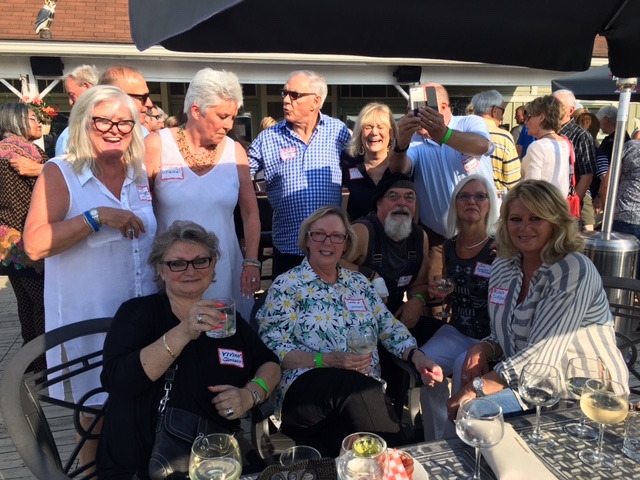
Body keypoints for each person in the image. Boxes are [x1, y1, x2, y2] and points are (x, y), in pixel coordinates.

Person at [23, 85, 158, 467]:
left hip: (140, 315)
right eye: (103, 121)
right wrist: (95, 218)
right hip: (90, 320)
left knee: (139, 404)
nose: (115, 130)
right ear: (84, 122)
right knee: (95, 414)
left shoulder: (137, 172)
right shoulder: (60, 172)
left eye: (124, 123)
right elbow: (34, 244)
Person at [97, 221, 280, 479]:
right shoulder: (138, 313)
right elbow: (117, 381)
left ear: (213, 265)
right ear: (160, 270)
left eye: (200, 261)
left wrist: (250, 394)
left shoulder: (227, 318)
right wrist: (183, 331)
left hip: (216, 453)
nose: (190, 270)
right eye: (177, 263)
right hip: (145, 457)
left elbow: (270, 364)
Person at [257, 206, 443, 456]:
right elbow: (271, 347)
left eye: (336, 236)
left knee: (350, 450)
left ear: (345, 245)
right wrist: (326, 360)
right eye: (319, 234)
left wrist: (419, 358)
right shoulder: (287, 285)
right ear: (307, 240)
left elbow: (389, 328)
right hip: (303, 392)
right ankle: (402, 461)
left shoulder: (359, 285)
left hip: (361, 399)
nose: (327, 242)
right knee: (354, 387)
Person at [446, 180, 629, 419]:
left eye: (536, 218)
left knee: (474, 412)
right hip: (528, 385)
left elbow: (542, 355)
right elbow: (505, 332)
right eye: (516, 219)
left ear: (555, 222)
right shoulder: (503, 265)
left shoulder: (571, 268)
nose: (524, 228)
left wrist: (477, 388)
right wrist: (487, 347)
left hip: (582, 394)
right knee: (470, 413)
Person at [145, 68, 260, 320]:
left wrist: (251, 261)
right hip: (174, 271)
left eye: (232, 117)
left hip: (223, 268)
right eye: (222, 116)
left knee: (224, 340)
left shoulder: (235, 151)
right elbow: (140, 208)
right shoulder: (157, 145)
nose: (229, 125)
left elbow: (250, 212)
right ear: (196, 110)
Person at [418, 174, 498, 440]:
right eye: (464, 196)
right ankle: (435, 439)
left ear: (490, 204)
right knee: (426, 366)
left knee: (463, 367)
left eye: (479, 196)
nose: (471, 201)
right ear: (455, 204)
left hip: (489, 337)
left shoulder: (500, 247)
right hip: (458, 329)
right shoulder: (449, 245)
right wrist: (439, 291)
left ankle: (459, 442)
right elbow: (444, 285)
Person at [388, 82, 494, 282]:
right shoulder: (417, 140)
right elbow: (397, 170)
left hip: (483, 235)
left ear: (443, 107)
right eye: (410, 110)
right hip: (439, 240)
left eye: (421, 109)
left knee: (481, 294)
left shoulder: (468, 122)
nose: (415, 116)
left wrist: (444, 134)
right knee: (436, 299)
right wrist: (400, 144)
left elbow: (482, 146)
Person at [248, 70, 351, 276]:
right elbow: (239, 176)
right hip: (288, 246)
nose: (286, 100)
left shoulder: (338, 131)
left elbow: (364, 166)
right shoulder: (268, 138)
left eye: (294, 95)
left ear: (315, 101)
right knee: (287, 307)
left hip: (329, 248)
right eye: (285, 93)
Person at [343, 173, 435, 344]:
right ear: (378, 203)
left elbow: (421, 284)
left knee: (444, 335)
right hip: (356, 324)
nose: (402, 203)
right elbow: (329, 264)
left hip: (396, 321)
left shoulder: (420, 237)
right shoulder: (362, 232)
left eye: (409, 197)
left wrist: (417, 300)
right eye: (393, 196)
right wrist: (367, 273)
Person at [0, 103, 47, 372]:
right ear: (16, 120)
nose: (39, 123)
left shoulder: (1, 150)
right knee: (41, 303)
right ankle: (43, 363)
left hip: (5, 240)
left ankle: (29, 361)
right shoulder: (27, 153)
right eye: (32, 118)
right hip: (28, 239)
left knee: (26, 303)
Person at [341, 102, 398, 221]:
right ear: (360, 133)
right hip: (358, 235)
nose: (374, 132)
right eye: (368, 127)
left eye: (381, 127)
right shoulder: (347, 162)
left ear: (391, 133)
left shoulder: (401, 165)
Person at [553, 89, 597, 228]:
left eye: (558, 106)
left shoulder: (581, 136)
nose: (552, 109)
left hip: (566, 208)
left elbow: (587, 175)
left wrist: (572, 204)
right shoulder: (546, 132)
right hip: (547, 204)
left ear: (570, 110)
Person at [471, 90, 521, 198]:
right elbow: (513, 181)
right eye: (503, 111)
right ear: (494, 111)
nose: (502, 117)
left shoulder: (461, 133)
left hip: (464, 199)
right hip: (493, 199)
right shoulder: (504, 137)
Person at [520, 96, 571, 196]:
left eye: (529, 116)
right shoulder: (564, 143)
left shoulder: (537, 147)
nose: (526, 122)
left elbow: (532, 187)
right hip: (558, 204)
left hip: (540, 207)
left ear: (541, 117)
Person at [55, 64, 100, 156]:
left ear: (86, 87)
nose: (70, 102)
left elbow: (63, 168)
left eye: (72, 95)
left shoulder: (70, 134)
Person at [99, 65, 154, 137]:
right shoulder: (89, 134)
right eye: (143, 97)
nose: (149, 104)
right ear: (115, 97)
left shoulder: (142, 133)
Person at [612, 140, 640, 277]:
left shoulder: (630, 147)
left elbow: (610, 181)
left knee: (620, 268)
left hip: (624, 213)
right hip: (626, 213)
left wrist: (609, 209)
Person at [573, 111, 609, 218]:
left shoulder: (571, 148)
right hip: (587, 199)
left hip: (574, 196)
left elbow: (604, 178)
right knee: (588, 233)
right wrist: (599, 197)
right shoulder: (597, 153)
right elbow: (605, 178)